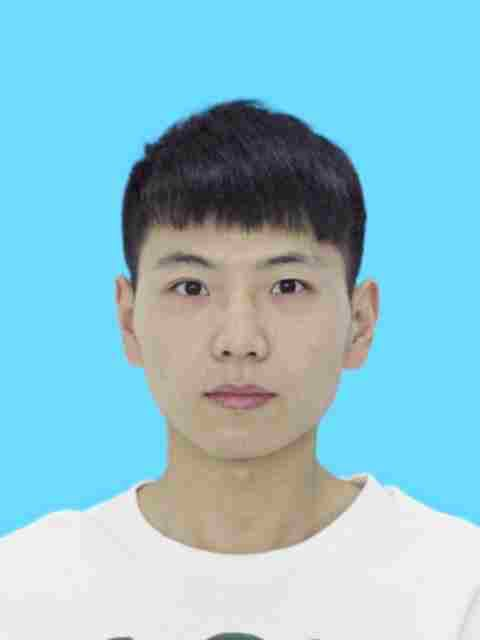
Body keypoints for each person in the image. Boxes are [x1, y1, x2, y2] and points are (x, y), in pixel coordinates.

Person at [1, 99, 479, 639]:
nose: (240, 342)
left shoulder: (458, 588)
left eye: (288, 286)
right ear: (129, 319)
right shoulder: (23, 592)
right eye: (190, 287)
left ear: (360, 324)